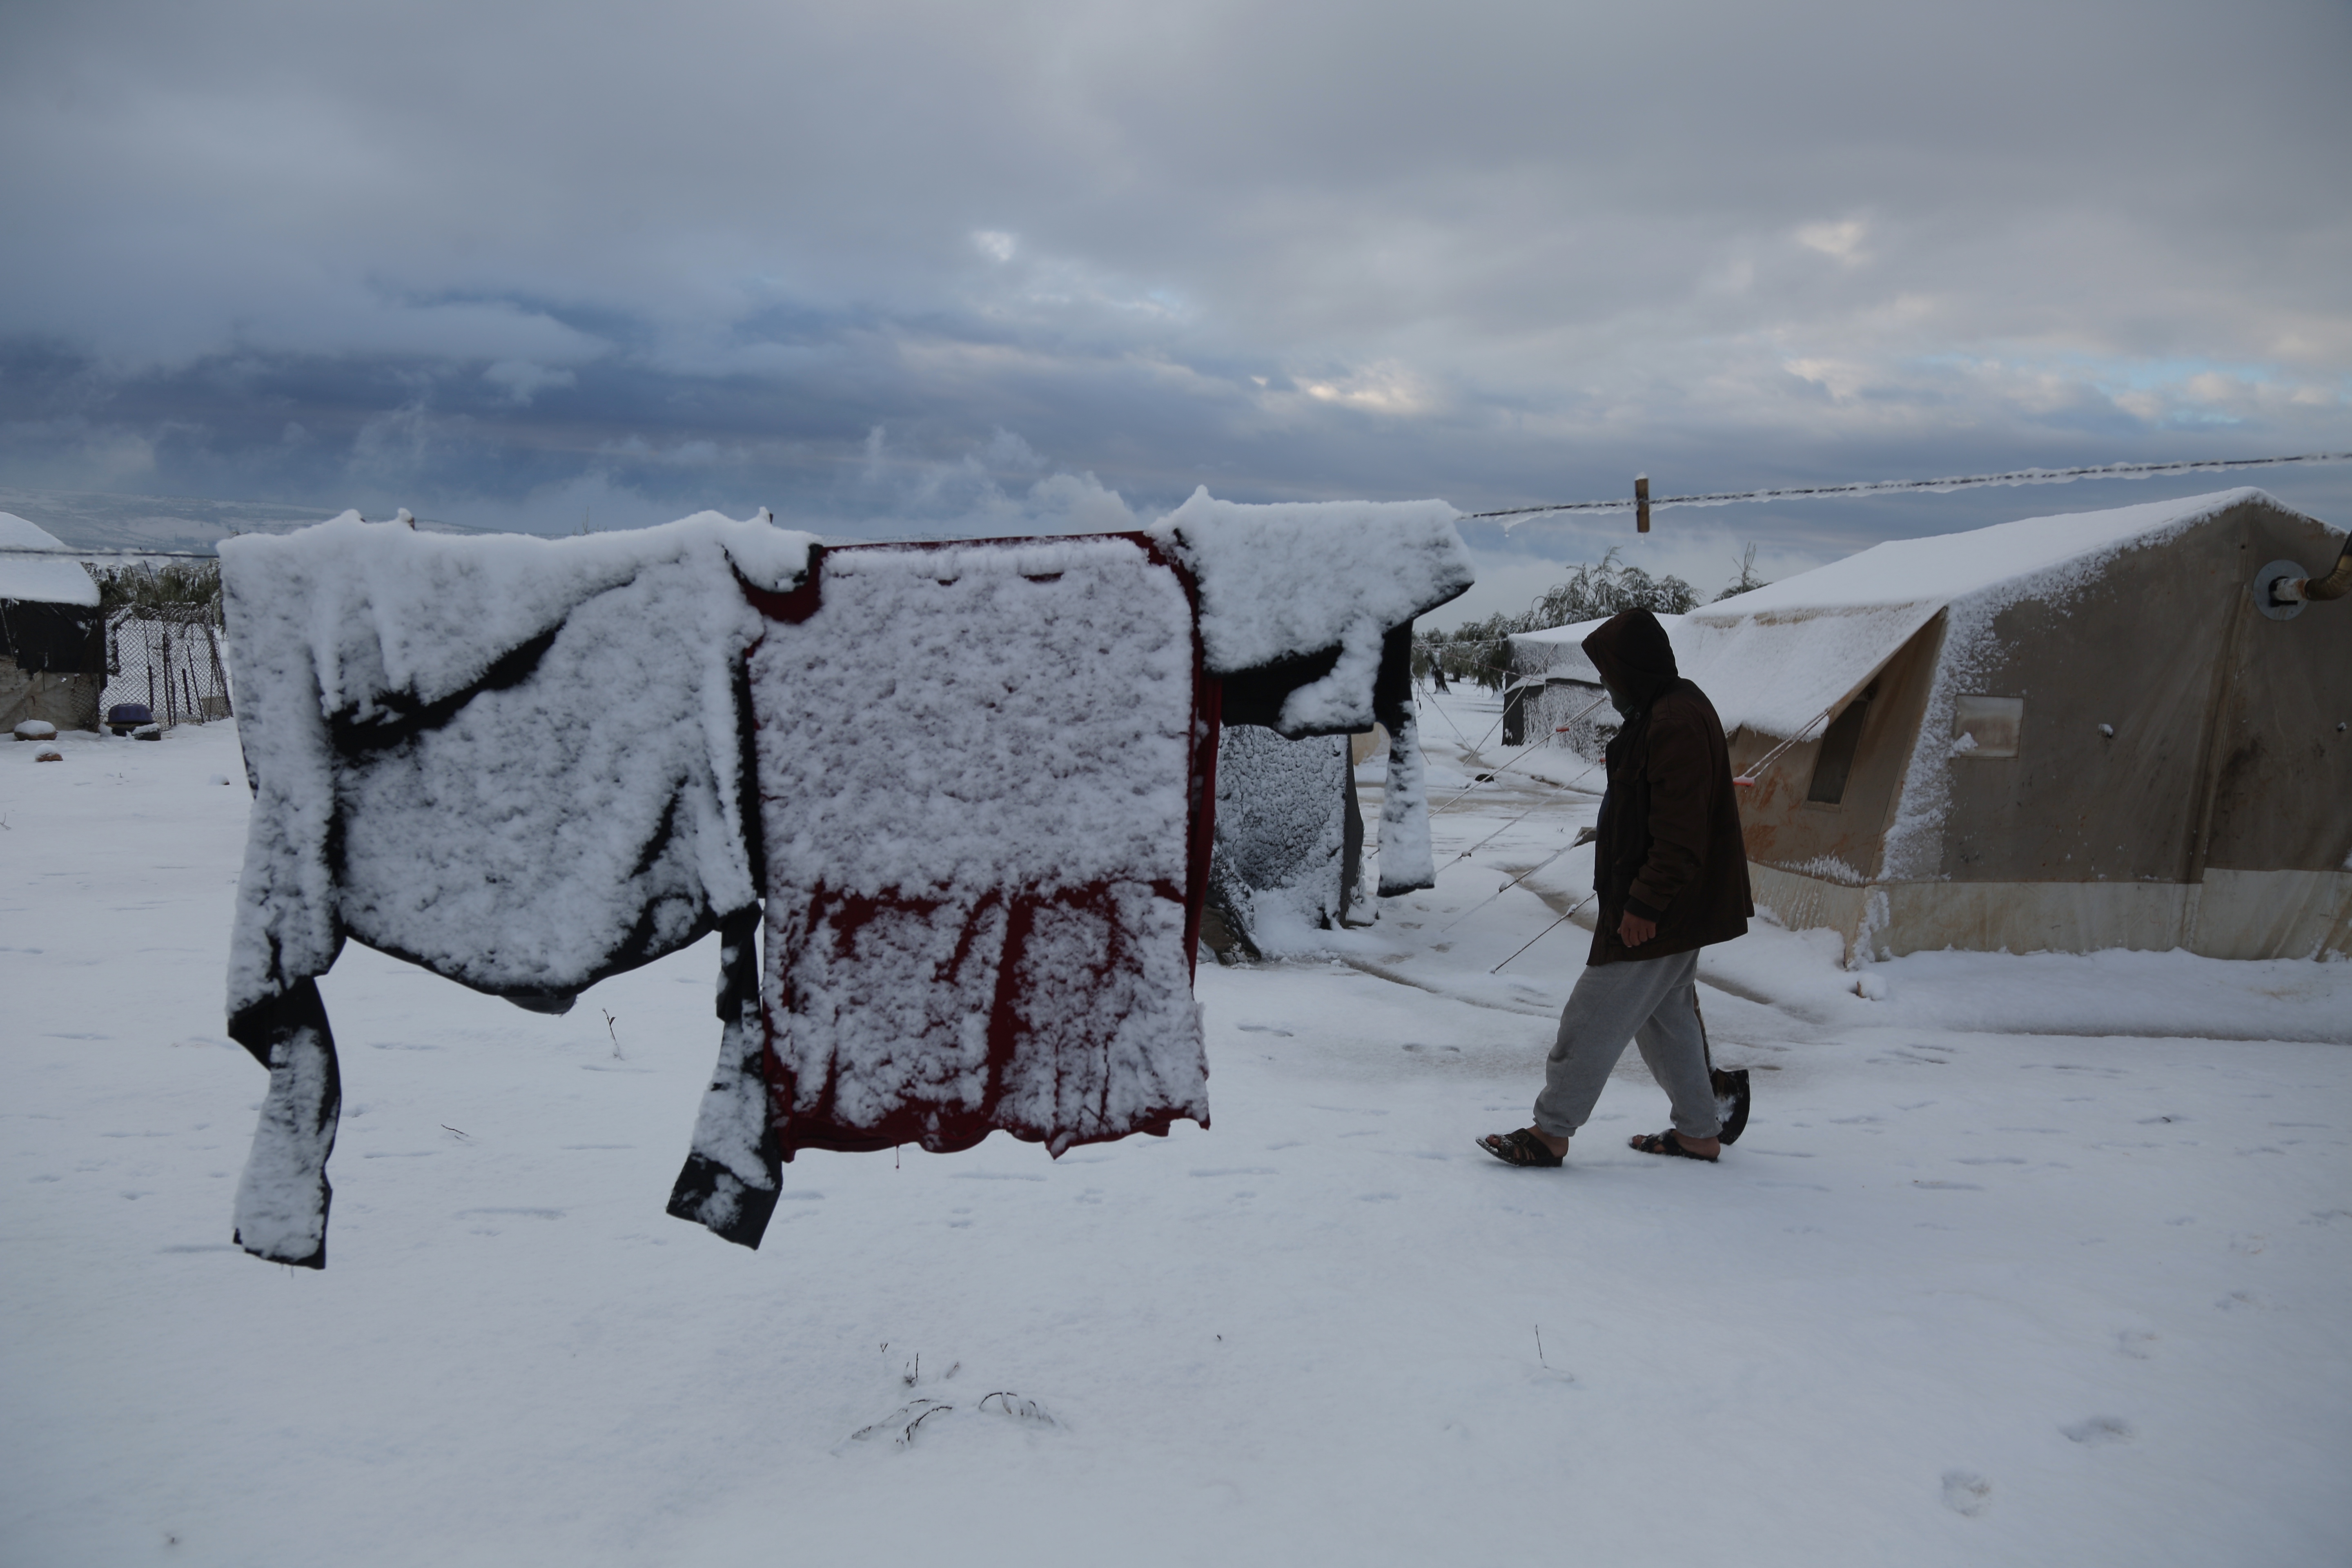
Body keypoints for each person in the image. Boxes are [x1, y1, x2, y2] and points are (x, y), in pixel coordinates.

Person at [1478, 608, 1752, 1168]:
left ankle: (1550, 1132)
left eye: (1610, 674)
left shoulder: (1674, 720)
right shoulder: (1667, 706)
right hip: (1668, 904)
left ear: (1635, 669)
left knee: (1594, 1014)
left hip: (1660, 907)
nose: (1606, 686)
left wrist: (1645, 903)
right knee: (1665, 1016)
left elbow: (1680, 834)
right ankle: (1701, 1130)